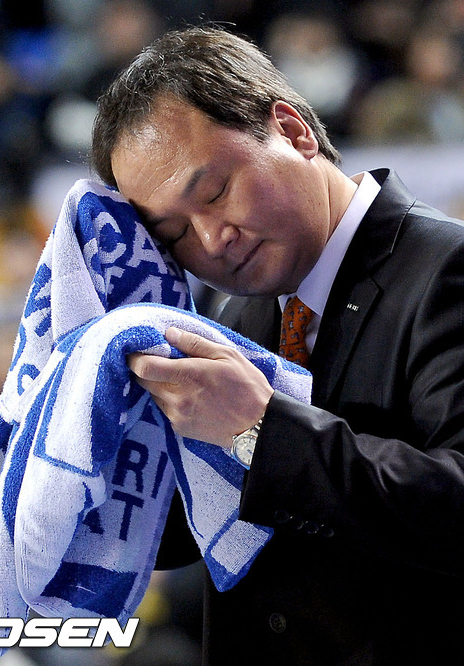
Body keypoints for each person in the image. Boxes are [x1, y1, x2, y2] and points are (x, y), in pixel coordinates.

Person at [91, 26, 464, 665]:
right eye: (175, 233)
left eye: (215, 192)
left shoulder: (449, 268)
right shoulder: (230, 315)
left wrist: (261, 431)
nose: (212, 239)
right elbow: (212, 527)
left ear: (292, 131)